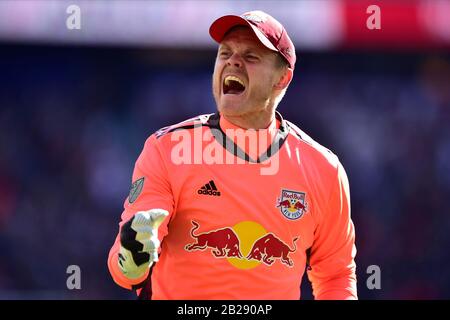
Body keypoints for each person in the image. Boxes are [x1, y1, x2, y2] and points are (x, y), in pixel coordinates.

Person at [107, 10, 357, 300]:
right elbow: (125, 270)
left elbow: (336, 277)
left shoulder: (323, 169)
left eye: (251, 56)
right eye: (225, 53)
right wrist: (133, 258)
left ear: (282, 78)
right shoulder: (168, 149)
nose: (233, 61)